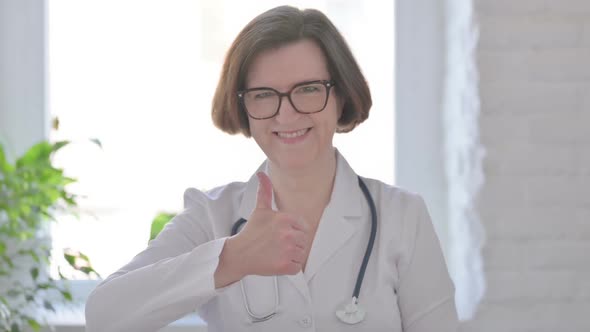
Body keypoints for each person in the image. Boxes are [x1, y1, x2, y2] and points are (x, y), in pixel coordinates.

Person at [85, 5, 458, 332]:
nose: (286, 114)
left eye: (308, 89)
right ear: (243, 106)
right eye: (264, 95)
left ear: (340, 94)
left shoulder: (402, 216)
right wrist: (232, 259)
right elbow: (105, 315)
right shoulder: (211, 216)